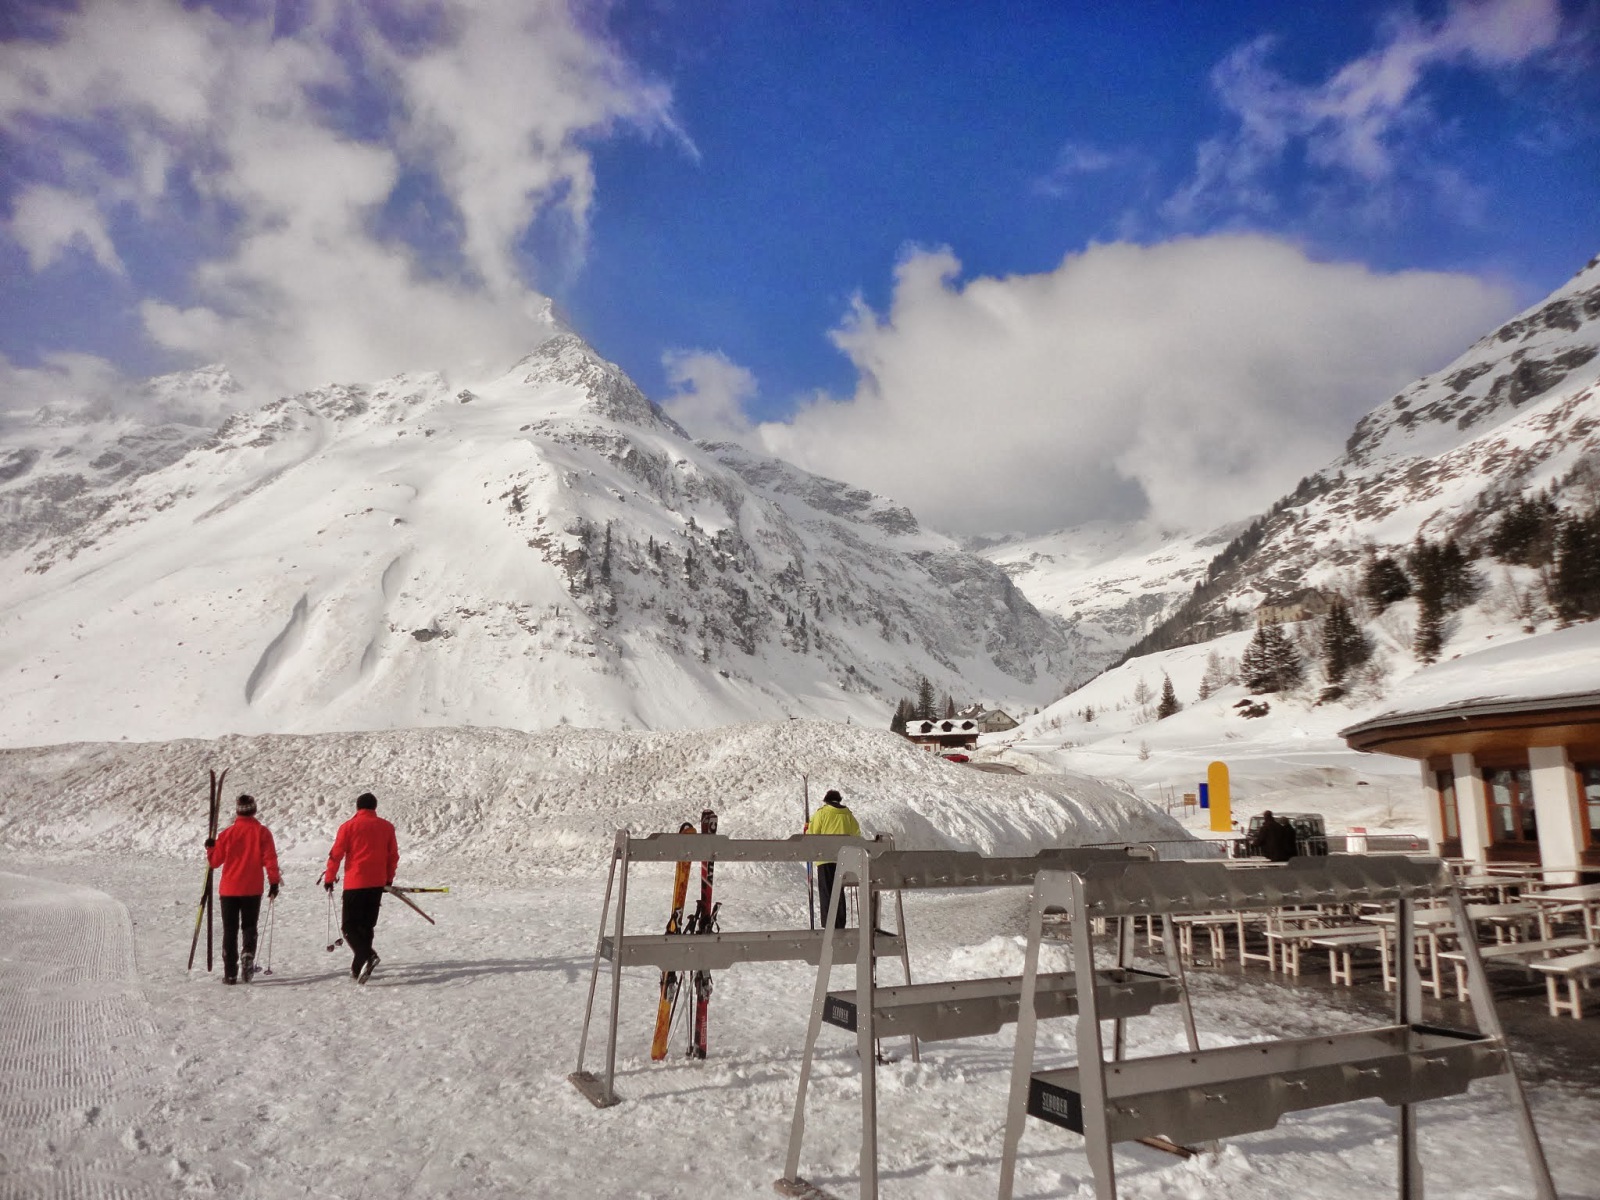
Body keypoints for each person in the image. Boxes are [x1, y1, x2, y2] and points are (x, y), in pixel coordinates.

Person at [323, 791, 399, 984]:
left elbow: (336, 854)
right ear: (375, 807)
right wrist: (388, 880)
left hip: (356, 883)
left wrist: (329, 878)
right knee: (366, 926)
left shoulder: (348, 827)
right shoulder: (387, 827)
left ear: (357, 808)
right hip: (377, 884)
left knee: (349, 926)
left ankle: (368, 955)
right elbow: (393, 857)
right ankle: (358, 969)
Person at [205, 793, 282, 984]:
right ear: (254, 810)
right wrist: (274, 882)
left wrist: (210, 848)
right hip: (252, 888)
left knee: (230, 930)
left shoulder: (227, 834)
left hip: (229, 889)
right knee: (249, 926)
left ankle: (230, 973)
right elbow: (270, 859)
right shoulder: (262, 832)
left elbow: (214, 862)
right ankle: (248, 952)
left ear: (237, 811)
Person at [806, 789, 861, 928]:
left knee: (826, 891)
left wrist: (807, 828)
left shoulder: (822, 813)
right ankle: (840, 922)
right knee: (839, 889)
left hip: (824, 858)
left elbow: (812, 834)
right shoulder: (848, 815)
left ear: (827, 800)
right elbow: (856, 834)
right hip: (842, 858)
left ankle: (829, 923)